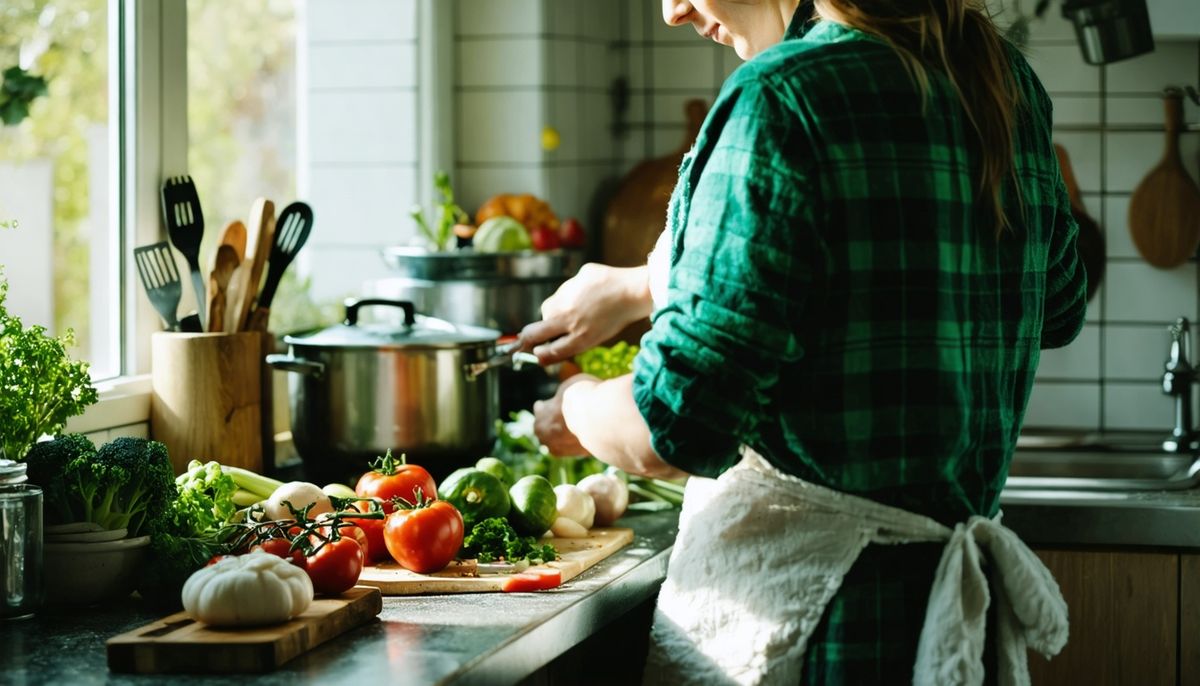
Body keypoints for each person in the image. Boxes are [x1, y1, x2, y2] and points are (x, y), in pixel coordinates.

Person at [521, 0, 1086, 683]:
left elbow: (670, 429)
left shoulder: (782, 99)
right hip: (954, 640)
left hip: (817, 630)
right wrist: (646, 283)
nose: (671, 10)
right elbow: (1054, 304)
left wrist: (576, 404)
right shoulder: (1005, 83)